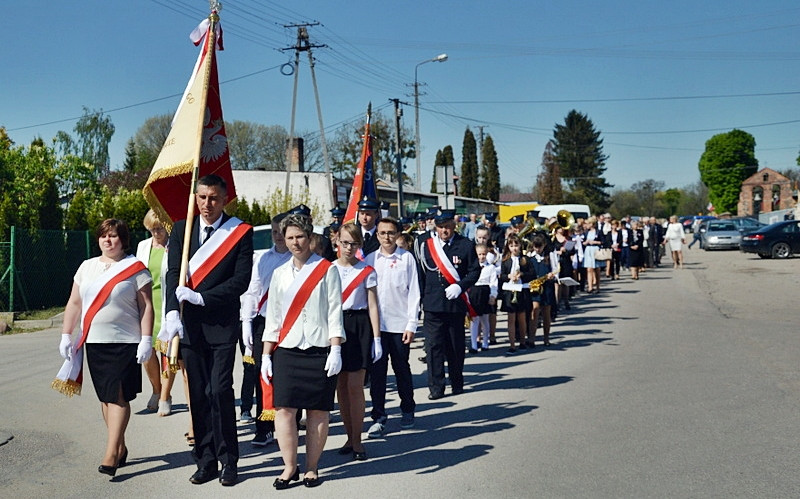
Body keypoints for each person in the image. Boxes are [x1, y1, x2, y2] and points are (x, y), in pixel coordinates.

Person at [163, 174, 254, 487]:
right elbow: (173, 275)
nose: (207, 204)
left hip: (221, 325)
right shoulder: (181, 229)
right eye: (201, 197)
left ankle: (229, 460)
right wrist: (171, 313)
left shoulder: (239, 232)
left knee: (219, 391)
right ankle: (205, 460)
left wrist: (203, 298)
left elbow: (240, 281)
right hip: (189, 327)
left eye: (213, 198)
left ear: (224, 198)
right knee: (198, 396)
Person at [55, 218, 154, 477]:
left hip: (125, 342)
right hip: (95, 342)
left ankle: (110, 453)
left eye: (114, 236)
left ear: (123, 240)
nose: (108, 241)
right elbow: (74, 303)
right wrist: (67, 334)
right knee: (106, 397)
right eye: (103, 236)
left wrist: (146, 339)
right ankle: (119, 446)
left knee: (118, 396)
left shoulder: (135, 268)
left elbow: (146, 306)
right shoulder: (86, 267)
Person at [261, 214, 344, 489]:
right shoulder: (279, 274)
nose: (295, 242)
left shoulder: (327, 269)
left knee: (318, 411)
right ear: (283, 240)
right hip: (287, 350)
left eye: (300, 236)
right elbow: (273, 317)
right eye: (290, 237)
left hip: (320, 348)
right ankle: (289, 467)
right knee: (284, 410)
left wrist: (335, 349)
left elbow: (334, 312)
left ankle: (311, 467)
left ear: (309, 238)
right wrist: (265, 355)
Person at [239, 212, 292, 447]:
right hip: (264, 322)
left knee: (287, 375)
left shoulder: (298, 259)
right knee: (263, 374)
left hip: (290, 324)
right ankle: (264, 427)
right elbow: (252, 292)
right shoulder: (262, 259)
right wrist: (247, 323)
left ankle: (290, 422)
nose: (278, 236)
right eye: (274, 232)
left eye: (282, 232)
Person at [364, 218, 420, 438]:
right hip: (377, 328)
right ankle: (378, 416)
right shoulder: (370, 260)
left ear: (398, 234)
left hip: (399, 325)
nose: (386, 237)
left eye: (391, 232)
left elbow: (414, 292)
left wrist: (412, 324)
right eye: (382, 233)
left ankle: (408, 409)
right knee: (377, 374)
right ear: (376, 235)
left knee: (401, 370)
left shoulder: (407, 259)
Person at [419, 210, 480, 399]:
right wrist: (420, 300)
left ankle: (456, 382)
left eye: (447, 226)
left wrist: (460, 286)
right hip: (432, 304)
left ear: (454, 225)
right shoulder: (425, 245)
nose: (444, 230)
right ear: (435, 227)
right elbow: (420, 275)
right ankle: (436, 387)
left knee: (455, 346)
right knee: (434, 347)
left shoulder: (465, 245)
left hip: (455, 304)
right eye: (440, 226)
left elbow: (474, 271)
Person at [333, 223, 381, 461]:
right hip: (336, 327)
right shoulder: (328, 269)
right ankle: (349, 436)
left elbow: (373, 305)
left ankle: (358, 440)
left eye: (353, 243)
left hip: (359, 326)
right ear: (337, 242)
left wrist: (376, 338)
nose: (349, 248)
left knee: (355, 386)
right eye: (344, 242)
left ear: (360, 245)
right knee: (341, 386)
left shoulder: (367, 270)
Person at [135, 210, 170, 414]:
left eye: (159, 228)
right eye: (152, 229)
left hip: (166, 302)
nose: (156, 233)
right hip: (147, 303)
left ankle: (165, 395)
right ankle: (156, 390)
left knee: (167, 352)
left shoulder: (174, 246)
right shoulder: (143, 246)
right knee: (148, 352)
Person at [498, 234, 535, 354]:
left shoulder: (525, 260)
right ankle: (512, 344)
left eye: (516, 245)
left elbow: (532, 274)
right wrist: (509, 276)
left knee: (522, 318)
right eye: (511, 245)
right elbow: (501, 276)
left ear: (520, 245)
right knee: (511, 319)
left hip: (522, 290)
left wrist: (522, 275)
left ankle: (523, 342)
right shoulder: (505, 261)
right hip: (510, 291)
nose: (514, 248)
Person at [468, 243, 498, 352]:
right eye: (479, 254)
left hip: (485, 292)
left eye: (484, 254)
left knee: (485, 320)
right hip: (474, 293)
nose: (481, 256)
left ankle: (485, 343)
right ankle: (474, 345)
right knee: (474, 320)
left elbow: (493, 283)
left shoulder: (491, 268)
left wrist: (493, 295)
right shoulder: (471, 267)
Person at [529, 234, 557, 347]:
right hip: (536, 288)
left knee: (546, 314)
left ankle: (546, 338)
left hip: (547, 287)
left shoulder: (549, 256)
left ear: (544, 245)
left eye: (540, 246)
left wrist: (553, 275)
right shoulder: (530, 257)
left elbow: (556, 270)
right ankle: (531, 338)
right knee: (535, 310)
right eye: (535, 246)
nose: (537, 249)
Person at [582, 216, 604, 293]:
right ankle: (590, 287)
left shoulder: (598, 232)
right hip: (588, 250)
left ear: (592, 224)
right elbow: (583, 242)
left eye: (588, 223)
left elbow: (602, 241)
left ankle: (598, 287)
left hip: (596, 250)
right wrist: (586, 242)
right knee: (589, 269)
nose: (587, 225)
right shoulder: (586, 232)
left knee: (597, 269)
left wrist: (595, 242)